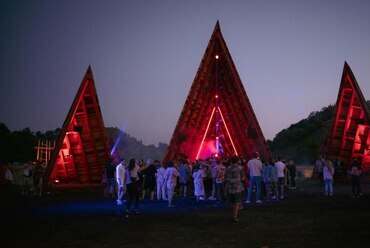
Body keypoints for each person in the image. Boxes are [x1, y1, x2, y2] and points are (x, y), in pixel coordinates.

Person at [225, 156, 244, 222]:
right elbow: (243, 177)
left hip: (230, 187)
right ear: (238, 160)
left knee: (233, 202)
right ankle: (234, 217)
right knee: (237, 202)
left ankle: (233, 215)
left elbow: (226, 177)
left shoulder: (228, 168)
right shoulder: (240, 168)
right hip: (237, 187)